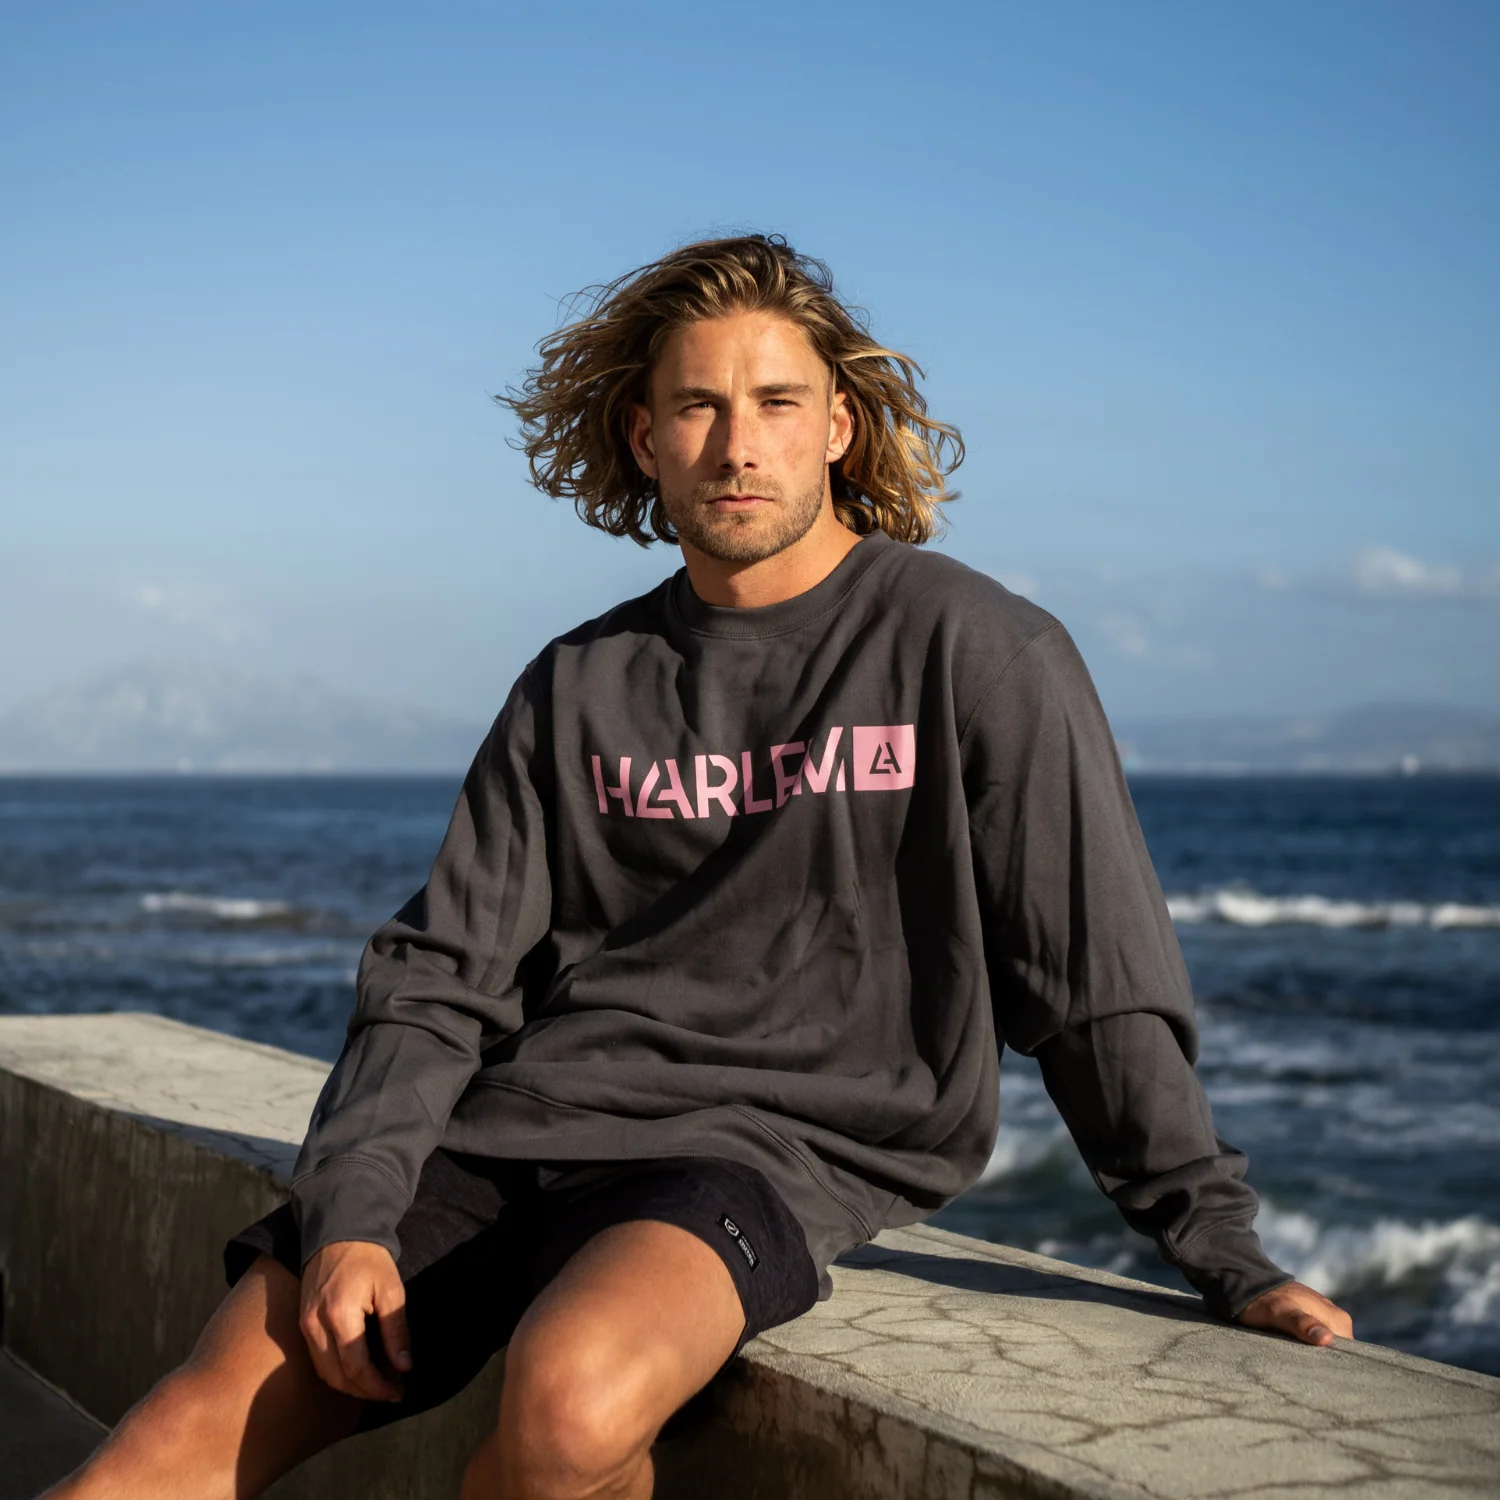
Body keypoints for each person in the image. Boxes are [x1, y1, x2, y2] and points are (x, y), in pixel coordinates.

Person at [44, 234, 1351, 1500]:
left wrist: (1220, 1247)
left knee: (567, 1408)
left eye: (776, 402)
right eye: (698, 406)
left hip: (756, 1150)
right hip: (511, 1131)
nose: (737, 445)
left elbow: (1092, 977)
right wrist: (351, 1212)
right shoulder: (577, 682)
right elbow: (439, 974)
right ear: (644, 438)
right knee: (173, 1439)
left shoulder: (976, 649)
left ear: (836, 425)